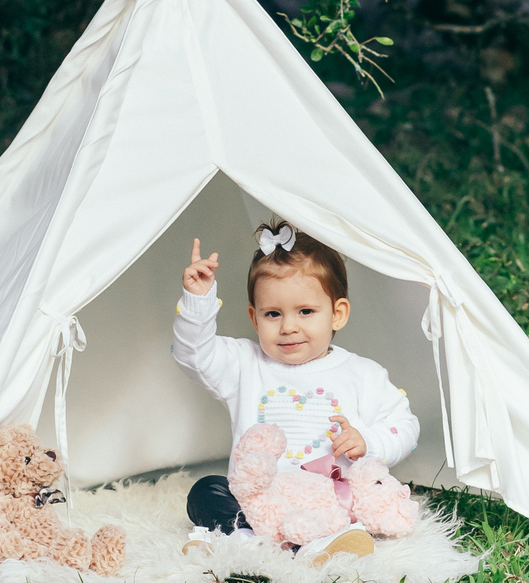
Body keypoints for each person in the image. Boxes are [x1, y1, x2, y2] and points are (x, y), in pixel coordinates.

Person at [172, 220, 419, 559]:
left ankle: (319, 542)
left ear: (338, 313)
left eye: (305, 311)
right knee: (205, 491)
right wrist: (198, 302)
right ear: (254, 317)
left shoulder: (361, 374)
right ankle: (245, 536)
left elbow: (405, 425)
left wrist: (369, 443)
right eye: (273, 314)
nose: (289, 326)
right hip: (259, 501)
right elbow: (193, 355)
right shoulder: (244, 364)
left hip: (325, 501)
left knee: (345, 508)